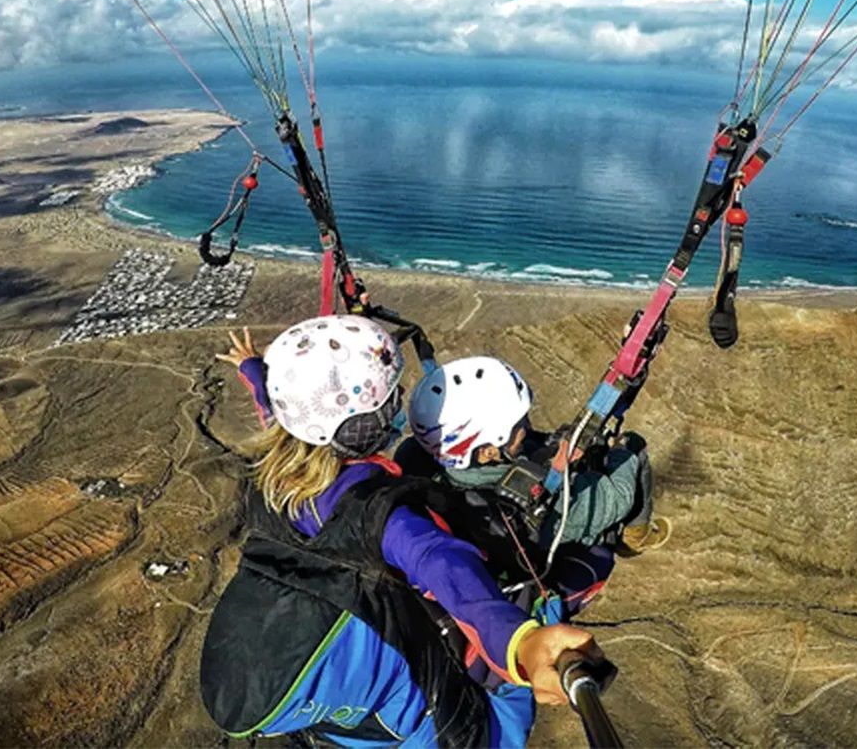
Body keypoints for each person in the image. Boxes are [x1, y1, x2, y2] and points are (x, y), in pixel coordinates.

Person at [200, 316, 605, 748]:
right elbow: (442, 563)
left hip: (308, 681)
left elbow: (280, 416)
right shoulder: (381, 516)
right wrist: (519, 644)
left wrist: (254, 373)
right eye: (392, 401)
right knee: (491, 708)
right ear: (370, 427)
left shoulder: (276, 478)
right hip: (401, 698)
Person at [402, 356, 671, 557]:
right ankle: (635, 536)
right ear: (487, 451)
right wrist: (621, 453)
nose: (528, 426)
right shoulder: (532, 502)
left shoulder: (425, 461)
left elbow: (530, 444)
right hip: (562, 537)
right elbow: (617, 497)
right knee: (633, 445)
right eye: (518, 426)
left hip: (488, 493)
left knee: (557, 439)